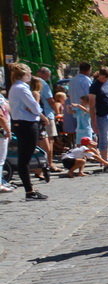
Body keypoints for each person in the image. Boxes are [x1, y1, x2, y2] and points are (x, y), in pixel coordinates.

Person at [5, 64, 46, 200]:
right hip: (27, 124)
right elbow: (34, 106)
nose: (30, 76)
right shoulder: (21, 88)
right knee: (25, 159)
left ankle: (30, 189)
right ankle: (29, 191)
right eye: (28, 73)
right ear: (24, 74)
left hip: (23, 123)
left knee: (25, 158)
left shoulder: (16, 87)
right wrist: (37, 110)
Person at [84, 67, 108, 171]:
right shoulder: (94, 87)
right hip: (102, 116)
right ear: (100, 75)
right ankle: (106, 164)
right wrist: (93, 122)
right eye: (103, 77)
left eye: (106, 78)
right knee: (104, 140)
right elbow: (92, 106)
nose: (104, 80)